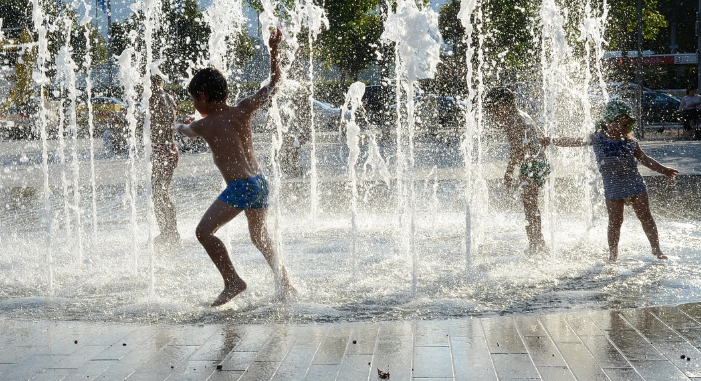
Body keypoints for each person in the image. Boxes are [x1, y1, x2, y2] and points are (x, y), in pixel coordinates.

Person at [176, 28, 295, 307]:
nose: (194, 104)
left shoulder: (203, 124)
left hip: (240, 187)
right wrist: (273, 51)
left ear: (203, 96)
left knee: (204, 232)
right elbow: (276, 83)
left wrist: (176, 124)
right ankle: (286, 283)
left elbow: (186, 130)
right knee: (260, 237)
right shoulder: (243, 108)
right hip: (260, 182)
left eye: (194, 99)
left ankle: (232, 281)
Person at [543, 100, 678, 262]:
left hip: (634, 183)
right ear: (608, 122)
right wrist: (552, 140)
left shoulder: (630, 142)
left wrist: (664, 170)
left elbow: (645, 159)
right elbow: (574, 141)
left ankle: (657, 250)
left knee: (646, 217)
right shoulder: (598, 138)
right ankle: (613, 255)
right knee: (615, 221)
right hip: (613, 187)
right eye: (618, 123)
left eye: (625, 125)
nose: (621, 128)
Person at [484, 87, 549, 254]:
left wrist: (508, 172)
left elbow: (517, 148)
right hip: (538, 162)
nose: (492, 115)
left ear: (503, 105)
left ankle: (536, 243)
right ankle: (537, 240)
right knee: (531, 205)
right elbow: (538, 136)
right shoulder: (521, 115)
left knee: (529, 206)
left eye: (493, 109)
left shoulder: (513, 120)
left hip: (532, 165)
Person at [150, 75, 181, 247]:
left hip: (159, 150)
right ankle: (171, 230)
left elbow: (150, 124)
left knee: (157, 193)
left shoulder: (153, 99)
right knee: (163, 191)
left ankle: (167, 232)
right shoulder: (170, 98)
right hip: (170, 148)